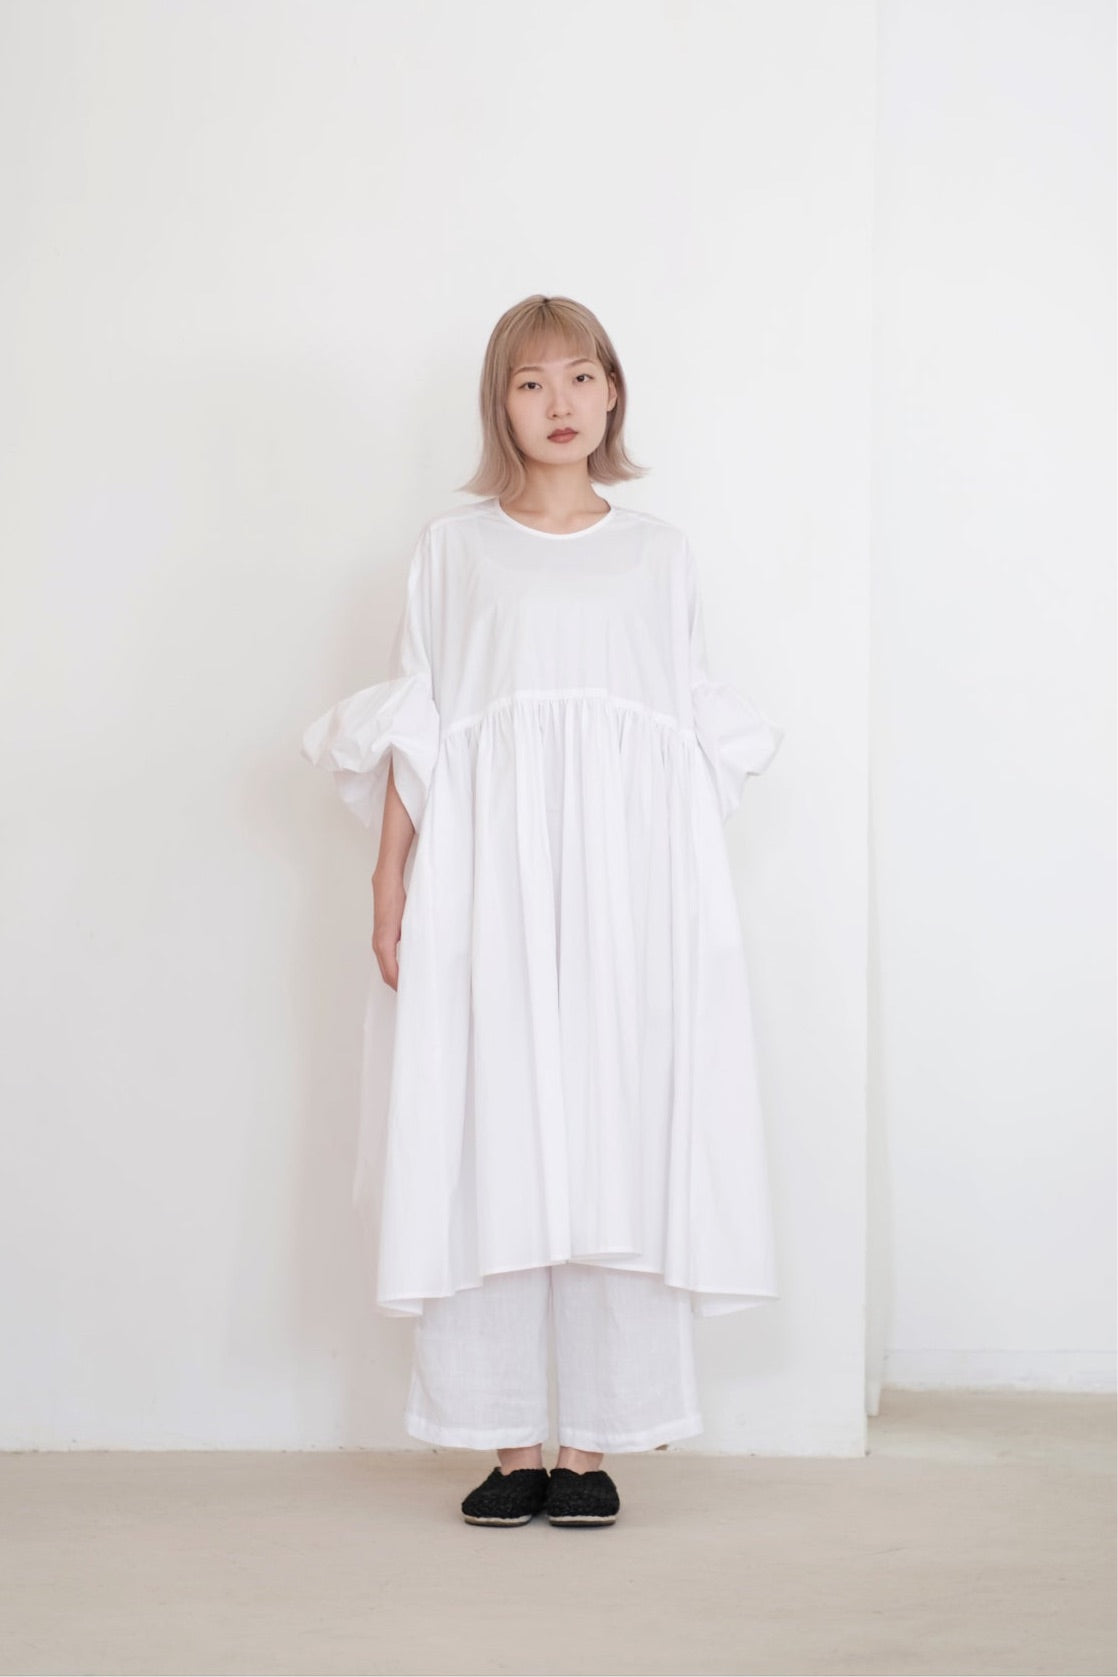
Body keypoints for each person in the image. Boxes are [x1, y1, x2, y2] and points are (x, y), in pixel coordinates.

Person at [301, 294, 784, 1529]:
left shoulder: (657, 554)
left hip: (626, 890)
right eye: (529, 383)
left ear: (612, 392)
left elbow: (678, 734)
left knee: (616, 1124)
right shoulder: (453, 552)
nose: (558, 403)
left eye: (579, 376)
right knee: (491, 1120)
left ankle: (595, 1442)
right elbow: (423, 726)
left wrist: (680, 905)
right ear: (499, 405)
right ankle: (507, 1439)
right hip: (486, 881)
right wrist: (389, 879)